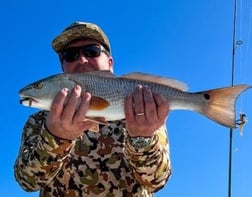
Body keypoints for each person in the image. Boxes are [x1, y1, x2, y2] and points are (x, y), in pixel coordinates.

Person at [14, 21, 172, 197]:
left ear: (110, 62)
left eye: (92, 52)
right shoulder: (39, 121)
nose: (82, 59)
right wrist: (55, 138)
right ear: (63, 69)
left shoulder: (145, 108)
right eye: (70, 55)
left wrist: (141, 138)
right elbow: (26, 182)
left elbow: (156, 181)